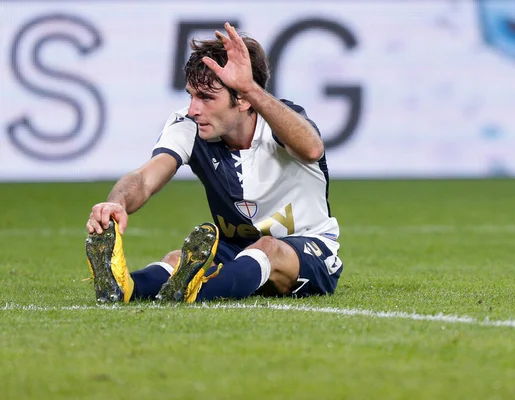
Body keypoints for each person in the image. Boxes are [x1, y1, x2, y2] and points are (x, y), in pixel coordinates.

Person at [85, 22, 343, 304]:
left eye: (207, 97)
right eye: (191, 95)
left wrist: (249, 88)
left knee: (269, 248)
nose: (194, 109)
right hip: (233, 249)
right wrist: (117, 204)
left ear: (243, 99)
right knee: (177, 259)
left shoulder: (281, 121)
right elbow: (146, 178)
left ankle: (196, 291)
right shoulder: (189, 125)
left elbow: (312, 148)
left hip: (308, 250)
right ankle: (125, 289)